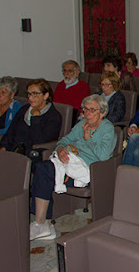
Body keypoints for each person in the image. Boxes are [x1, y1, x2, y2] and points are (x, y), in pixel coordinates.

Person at [29, 95, 117, 240]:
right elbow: (64, 140)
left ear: (102, 113)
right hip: (69, 161)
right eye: (85, 109)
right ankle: (43, 223)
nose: (87, 113)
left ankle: (42, 223)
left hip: (87, 169)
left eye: (92, 110)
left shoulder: (107, 129)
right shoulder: (82, 124)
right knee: (41, 168)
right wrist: (60, 150)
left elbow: (103, 155)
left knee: (44, 170)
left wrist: (88, 139)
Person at [0, 79, 62, 155]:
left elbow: (39, 142)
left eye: (35, 94)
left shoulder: (54, 117)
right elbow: (10, 132)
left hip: (32, 155)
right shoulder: (24, 109)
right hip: (14, 152)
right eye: (29, 94)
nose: (30, 98)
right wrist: (3, 148)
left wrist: (36, 118)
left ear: (45, 95)